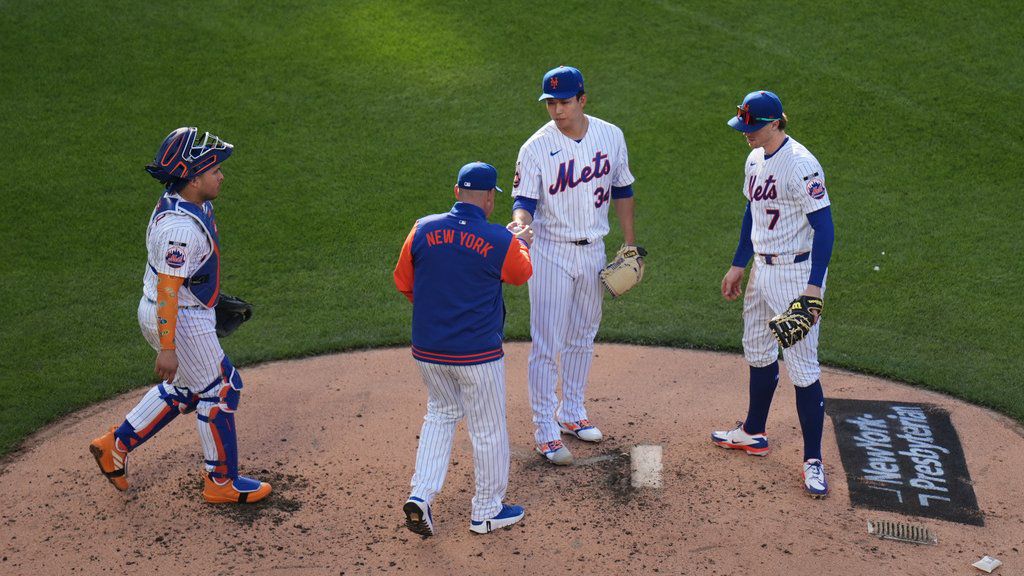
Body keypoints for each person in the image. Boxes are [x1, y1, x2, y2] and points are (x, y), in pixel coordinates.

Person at [89, 127, 272, 504]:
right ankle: (220, 482)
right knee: (222, 389)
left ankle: (115, 446)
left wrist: (209, 297)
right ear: (192, 178)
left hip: (178, 310)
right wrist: (168, 347)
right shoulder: (179, 230)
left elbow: (182, 279)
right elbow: (169, 289)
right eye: (214, 169)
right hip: (176, 317)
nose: (221, 175)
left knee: (189, 390)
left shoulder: (186, 200)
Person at [394, 161, 533, 537]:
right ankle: (486, 510)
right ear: (490, 198)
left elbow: (404, 282)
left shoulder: (422, 228)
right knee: (487, 428)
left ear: (457, 192)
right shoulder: (499, 239)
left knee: (440, 414)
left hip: (428, 350)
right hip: (477, 355)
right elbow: (521, 275)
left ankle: (420, 496)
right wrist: (520, 241)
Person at [508, 66, 638, 465]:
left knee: (584, 334)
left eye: (564, 102)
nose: (556, 110)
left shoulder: (610, 135)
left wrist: (629, 244)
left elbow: (623, 187)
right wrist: (520, 225)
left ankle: (572, 412)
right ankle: (545, 428)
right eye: (550, 102)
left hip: (593, 249)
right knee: (547, 343)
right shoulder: (535, 148)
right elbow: (524, 202)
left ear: (583, 99)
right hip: (550, 252)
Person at [711, 91, 836, 498]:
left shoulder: (801, 165)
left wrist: (814, 287)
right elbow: (753, 212)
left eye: (753, 127)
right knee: (758, 351)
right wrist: (738, 264)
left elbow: (825, 228)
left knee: (803, 369)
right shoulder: (754, 158)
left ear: (775, 123)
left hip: (796, 275)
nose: (746, 134)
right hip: (762, 269)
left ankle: (813, 460)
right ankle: (753, 431)